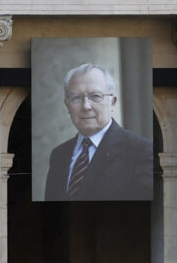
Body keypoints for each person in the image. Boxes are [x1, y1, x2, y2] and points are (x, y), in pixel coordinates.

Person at [43, 62, 152, 201]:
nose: (86, 106)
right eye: (76, 98)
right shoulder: (59, 155)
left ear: (112, 103)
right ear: (67, 105)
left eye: (95, 96)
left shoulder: (141, 151)